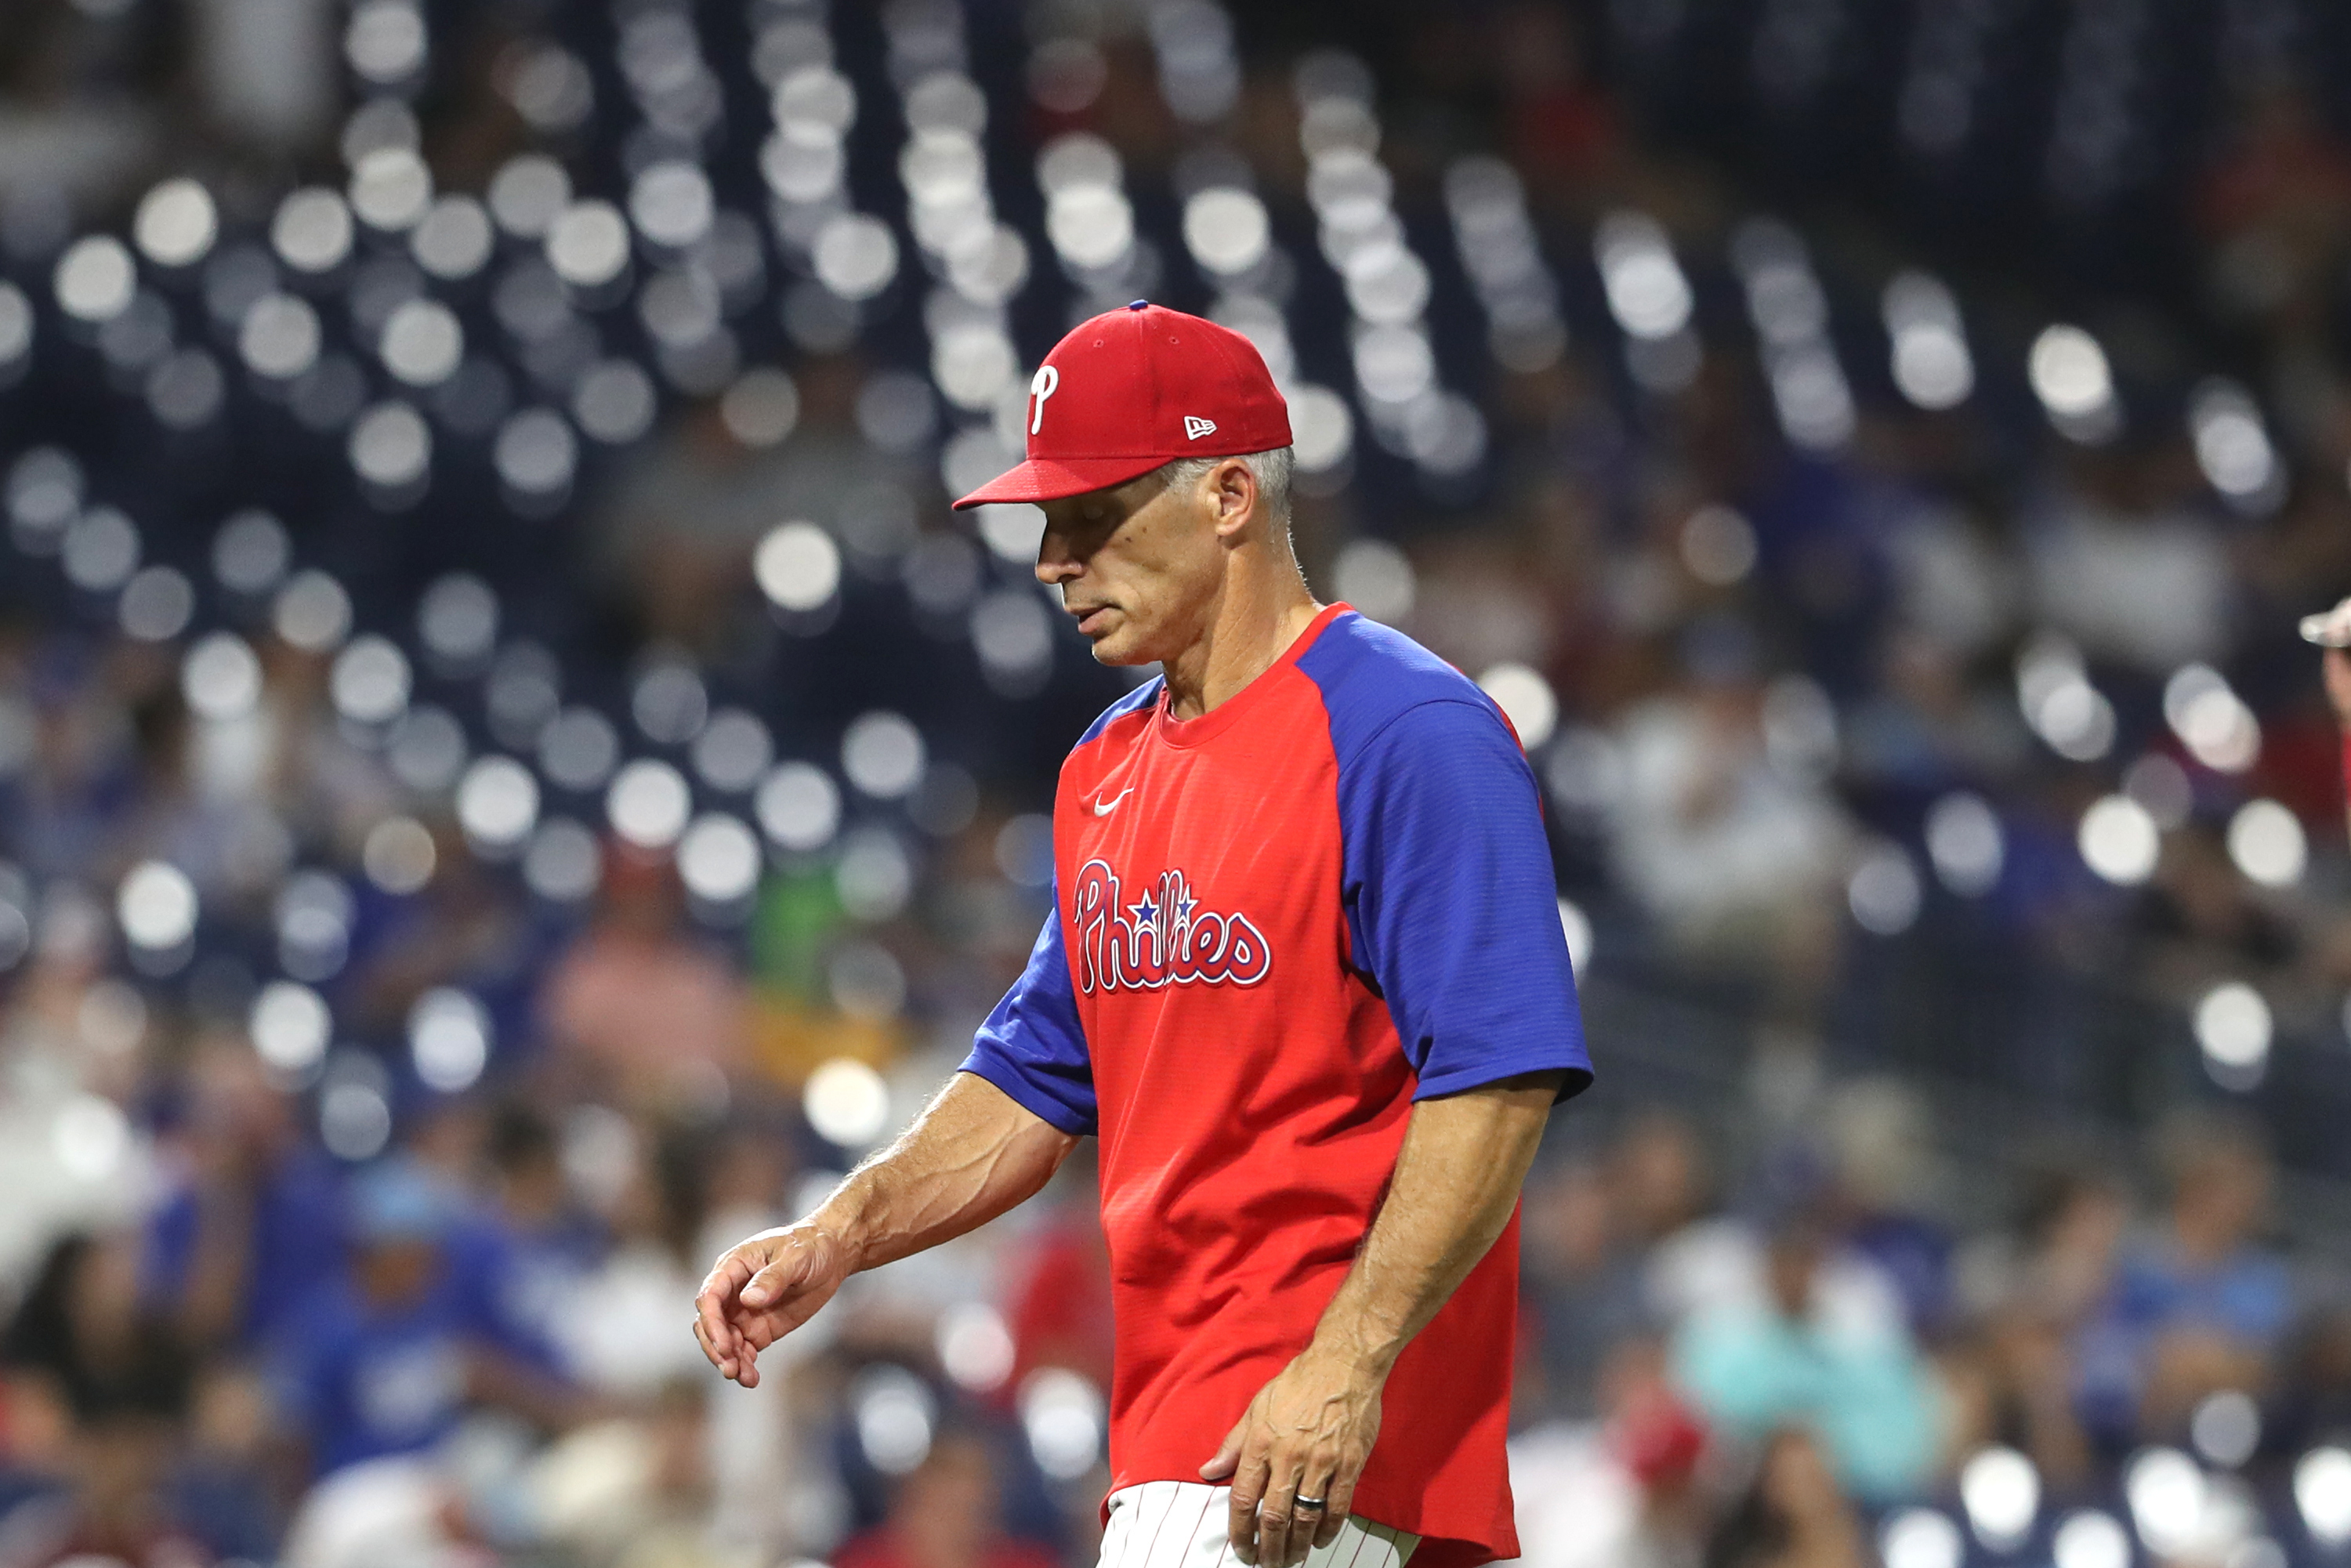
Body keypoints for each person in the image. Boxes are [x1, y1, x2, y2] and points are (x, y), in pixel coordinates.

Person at [696, 302, 1592, 1568]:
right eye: (1048, 522)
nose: (1056, 558)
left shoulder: (1406, 732)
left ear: (1229, 494)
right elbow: (1030, 1079)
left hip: (1300, 1440)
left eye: (1094, 516)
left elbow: (1499, 1076)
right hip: (1190, 1431)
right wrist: (840, 1232)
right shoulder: (1104, 767)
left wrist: (1344, 1360)